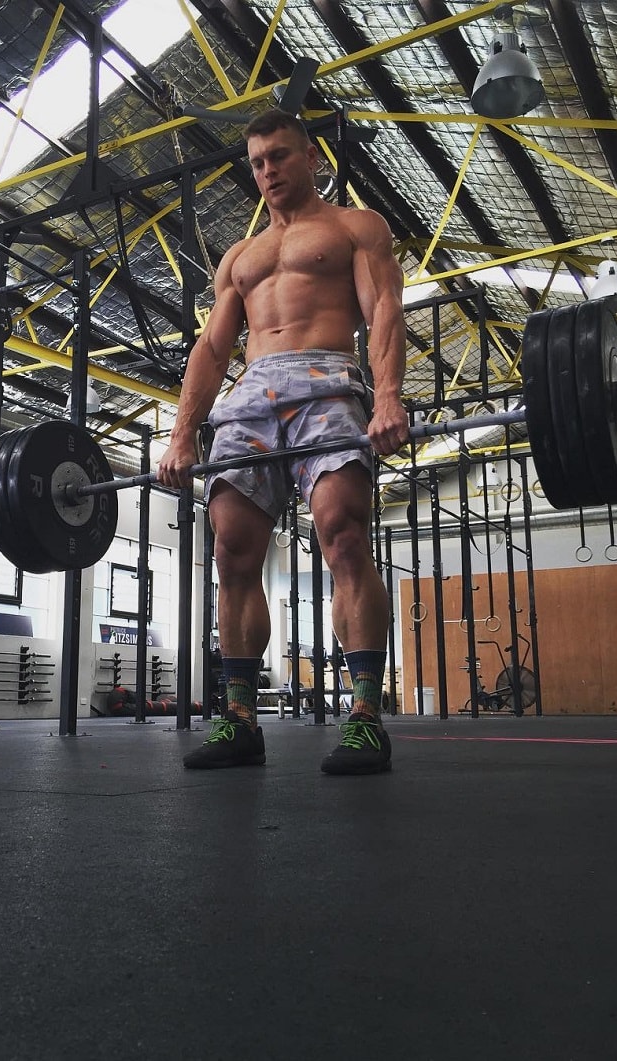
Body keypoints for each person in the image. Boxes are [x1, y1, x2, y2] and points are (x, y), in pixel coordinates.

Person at [157, 108, 409, 774]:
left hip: (326, 378)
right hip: (250, 397)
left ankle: (364, 717)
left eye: (280, 155)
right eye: (258, 162)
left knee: (344, 534)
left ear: (311, 157)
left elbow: (384, 309)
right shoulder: (240, 258)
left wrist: (386, 396)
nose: (268, 170)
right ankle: (240, 718)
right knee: (232, 550)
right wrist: (182, 435)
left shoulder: (356, 227)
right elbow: (213, 350)